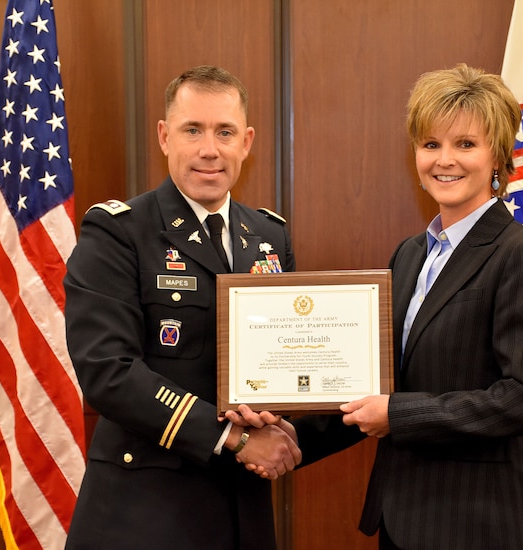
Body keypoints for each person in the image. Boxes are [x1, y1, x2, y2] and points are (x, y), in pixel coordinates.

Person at [228, 64, 523, 550]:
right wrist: (292, 441)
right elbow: (376, 384)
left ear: (498, 156)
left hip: (480, 525)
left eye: (465, 144)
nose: (444, 160)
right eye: (430, 144)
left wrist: (399, 415)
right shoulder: (411, 255)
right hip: (403, 520)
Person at [63, 65, 300, 550]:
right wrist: (234, 439)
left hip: (242, 511)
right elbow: (109, 371)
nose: (209, 149)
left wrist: (290, 426)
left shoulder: (269, 236)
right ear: (164, 136)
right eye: (193, 130)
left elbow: (284, 361)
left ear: (247, 142)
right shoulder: (119, 232)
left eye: (225, 132)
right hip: (146, 513)